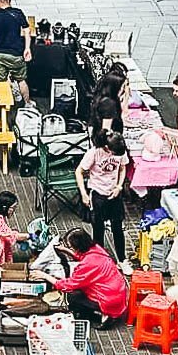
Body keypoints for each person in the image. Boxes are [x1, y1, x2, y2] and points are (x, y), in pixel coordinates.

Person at [33, 227, 128, 325]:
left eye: (70, 246)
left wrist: (45, 276)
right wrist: (65, 250)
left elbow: (68, 285)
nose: (70, 248)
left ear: (78, 247)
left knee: (72, 296)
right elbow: (83, 256)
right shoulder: (96, 248)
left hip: (108, 300)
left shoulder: (88, 264)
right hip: (117, 293)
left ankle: (98, 316)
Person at [77, 130, 129, 263]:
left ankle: (122, 260)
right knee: (98, 228)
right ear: (107, 147)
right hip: (98, 193)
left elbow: (123, 168)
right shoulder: (94, 152)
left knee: (117, 227)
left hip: (114, 193)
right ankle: (100, 260)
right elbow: (79, 171)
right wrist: (83, 193)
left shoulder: (119, 150)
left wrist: (119, 186)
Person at [0, 0, 32, 105]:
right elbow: (27, 31)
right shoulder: (18, 13)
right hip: (16, 53)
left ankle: (5, 106)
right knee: (21, 80)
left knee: (2, 83)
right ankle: (27, 103)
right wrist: (27, 48)